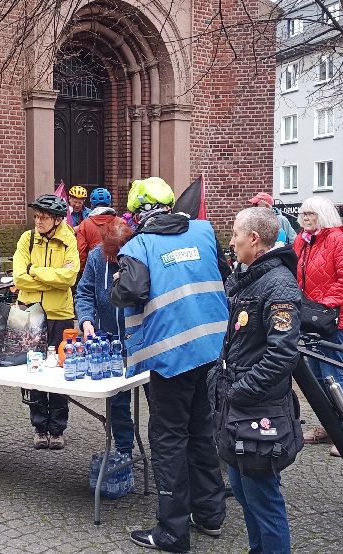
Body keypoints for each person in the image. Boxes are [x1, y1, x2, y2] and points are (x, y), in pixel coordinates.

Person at [110, 177, 228, 553]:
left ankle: (172, 532)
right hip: (211, 349)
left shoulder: (138, 246)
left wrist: (116, 283)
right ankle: (210, 515)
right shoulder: (204, 232)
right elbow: (223, 274)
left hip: (171, 358)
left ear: (139, 212)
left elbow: (131, 292)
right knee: (202, 429)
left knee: (169, 439)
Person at [215, 207, 303, 554]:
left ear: (254, 238)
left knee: (263, 499)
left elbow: (283, 355)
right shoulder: (250, 277)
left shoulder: (278, 285)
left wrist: (240, 390)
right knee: (242, 490)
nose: (231, 241)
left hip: (258, 407)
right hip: (239, 405)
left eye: (236, 233)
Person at [294, 195, 343, 455]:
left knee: (332, 374)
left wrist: (323, 305)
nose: (306, 218)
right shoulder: (303, 240)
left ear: (323, 215)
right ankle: (330, 426)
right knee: (316, 376)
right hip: (311, 319)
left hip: (333, 320)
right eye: (303, 213)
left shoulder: (337, 240)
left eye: (311, 213)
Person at [15, 194, 79, 448]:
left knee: (61, 371)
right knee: (35, 370)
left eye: (44, 217)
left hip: (60, 315)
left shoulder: (68, 239)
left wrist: (35, 272)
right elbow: (19, 278)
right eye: (36, 217)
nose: (38, 221)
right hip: (32, 313)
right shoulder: (27, 239)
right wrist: (52, 280)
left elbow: (69, 278)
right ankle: (40, 427)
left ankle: (58, 428)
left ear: (57, 219)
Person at [74, 216, 135, 455]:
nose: (113, 261)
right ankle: (123, 450)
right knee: (118, 402)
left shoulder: (140, 256)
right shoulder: (96, 257)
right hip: (110, 343)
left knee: (158, 402)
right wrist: (86, 320)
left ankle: (162, 456)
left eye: (117, 257)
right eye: (110, 256)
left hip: (140, 342)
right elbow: (85, 292)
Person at [73, 187, 121, 274]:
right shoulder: (121, 222)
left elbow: (81, 251)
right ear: (109, 204)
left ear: (92, 204)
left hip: (93, 269)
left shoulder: (85, 224)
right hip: (116, 270)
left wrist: (83, 271)